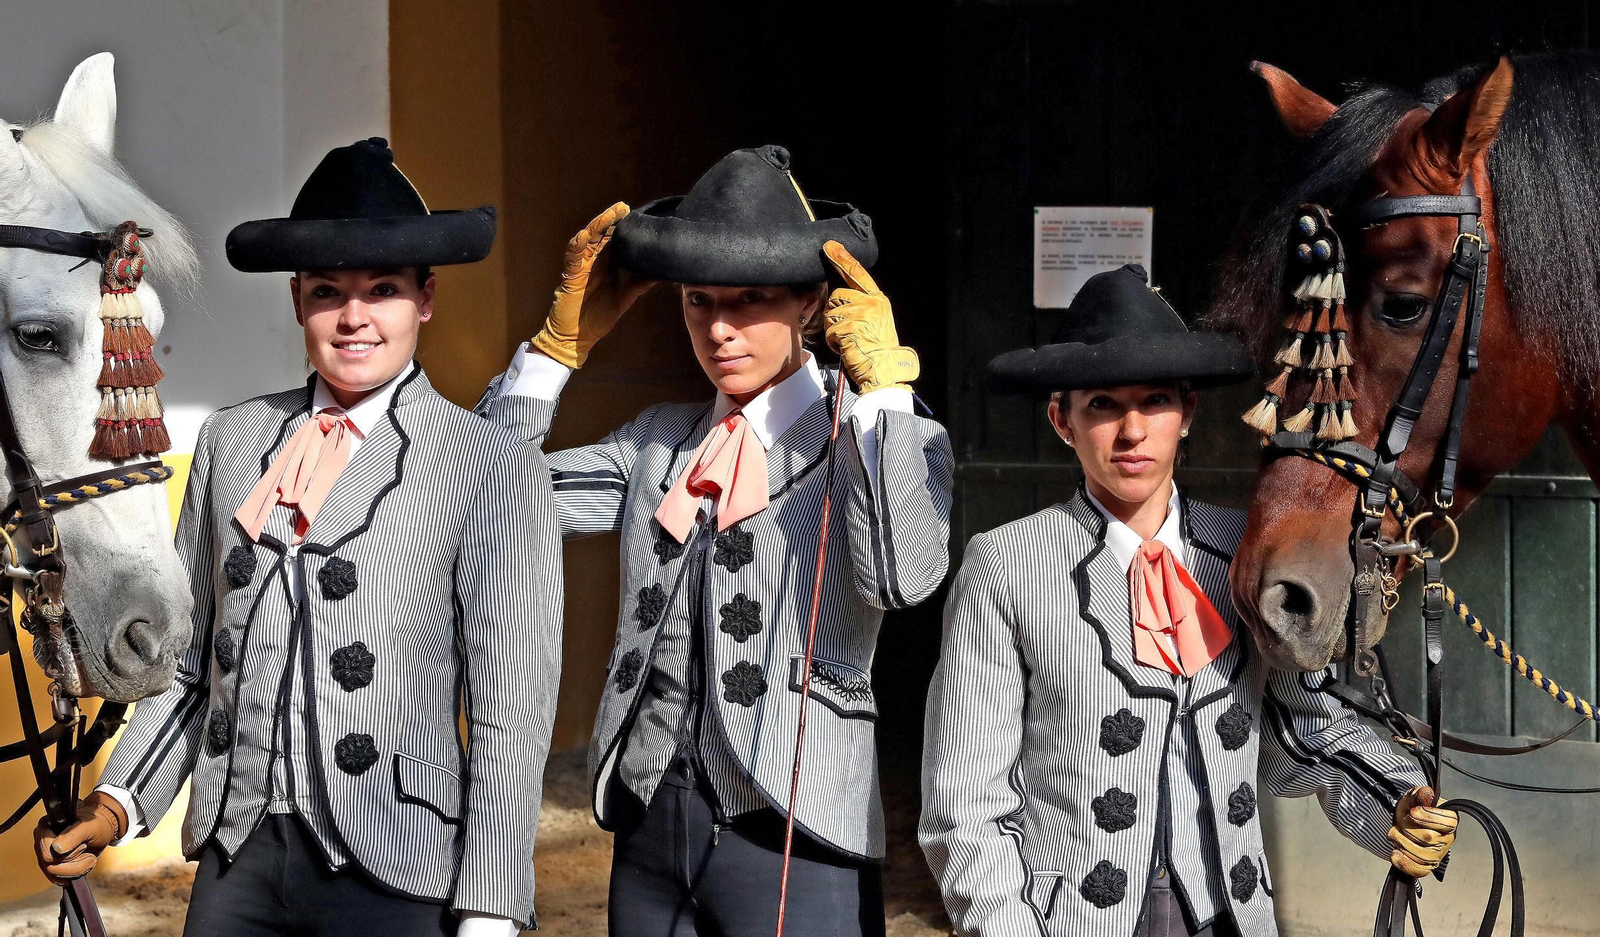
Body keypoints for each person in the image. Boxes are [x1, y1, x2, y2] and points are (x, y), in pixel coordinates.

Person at [33, 138, 562, 937]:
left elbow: (508, 712)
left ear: (426, 298)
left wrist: (488, 909)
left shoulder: (490, 465)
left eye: (382, 290)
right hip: (237, 864)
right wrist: (116, 805)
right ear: (296, 300)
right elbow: (189, 663)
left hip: (397, 866)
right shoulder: (232, 439)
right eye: (328, 292)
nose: (353, 318)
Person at [478, 144, 953, 937]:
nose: (721, 329)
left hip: (799, 831)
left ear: (811, 303)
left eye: (751, 299)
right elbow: (485, 498)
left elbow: (903, 579)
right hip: (649, 824)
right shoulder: (657, 445)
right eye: (699, 300)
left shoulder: (882, 435)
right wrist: (552, 356)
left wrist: (884, 395)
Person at [918, 264, 1458, 937]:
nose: (1132, 431)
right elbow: (965, 805)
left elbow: (1310, 729)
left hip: (1230, 915)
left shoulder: (1245, 552)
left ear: (1188, 411)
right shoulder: (1005, 566)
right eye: (1102, 405)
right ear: (1063, 420)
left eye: (1154, 401)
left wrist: (1397, 801)